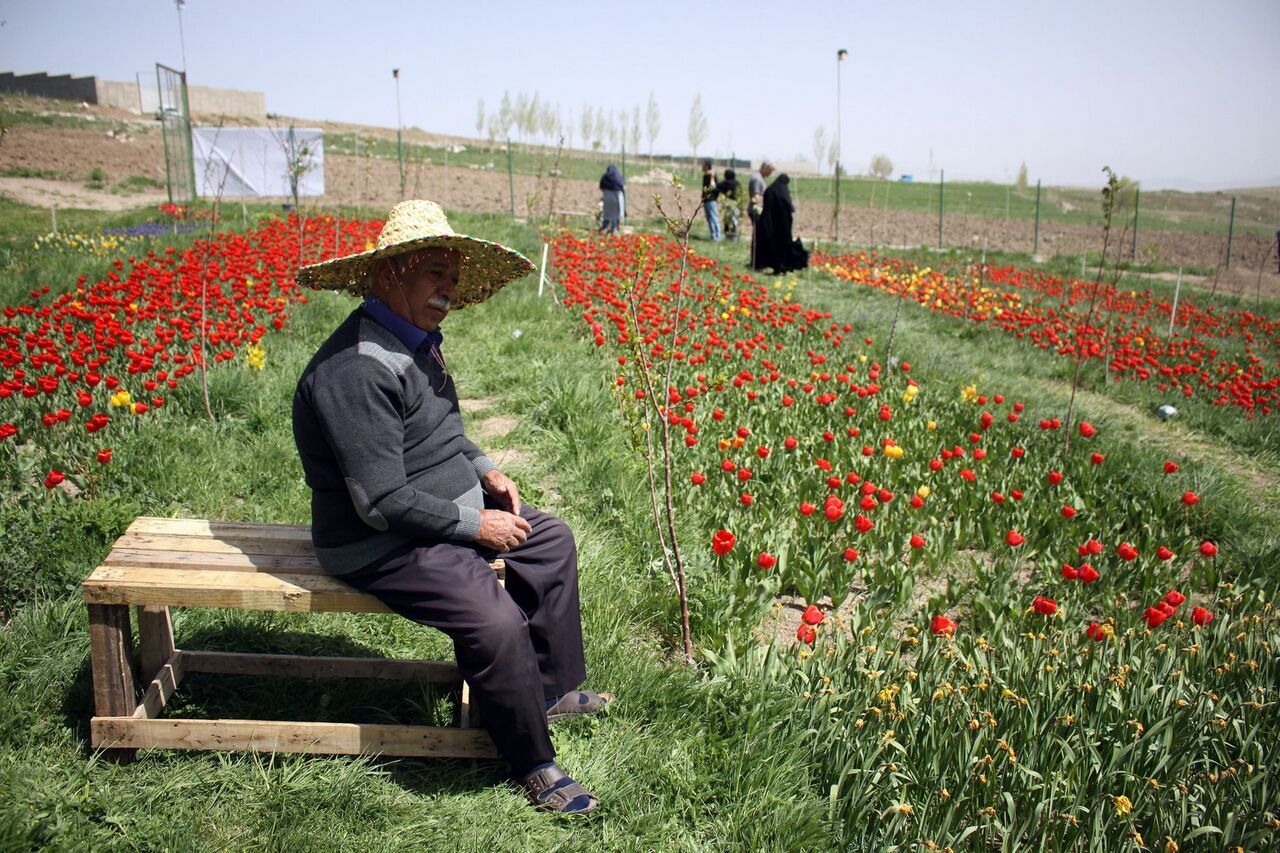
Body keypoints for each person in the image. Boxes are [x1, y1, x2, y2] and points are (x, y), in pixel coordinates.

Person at [292, 200, 611, 815]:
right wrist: (477, 526)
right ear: (389, 273)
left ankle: (544, 690)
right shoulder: (358, 368)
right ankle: (533, 761)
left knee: (551, 541)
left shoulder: (414, 341)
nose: (448, 288)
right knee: (492, 618)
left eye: (453, 276)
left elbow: (440, 433)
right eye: (435, 271)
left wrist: (483, 466)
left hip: (436, 514)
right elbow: (380, 501)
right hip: (378, 543)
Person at [752, 172, 810, 274]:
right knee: (782, 246)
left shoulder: (770, 189)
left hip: (769, 223)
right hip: (782, 225)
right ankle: (781, 266)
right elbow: (789, 207)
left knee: (770, 244)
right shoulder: (783, 191)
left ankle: (767, 264)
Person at [748, 160, 774, 265]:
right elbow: (756, 196)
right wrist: (762, 211)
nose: (770, 173)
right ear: (764, 168)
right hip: (757, 211)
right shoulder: (757, 179)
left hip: (760, 210)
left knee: (759, 236)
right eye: (769, 171)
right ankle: (755, 262)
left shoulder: (760, 178)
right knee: (758, 236)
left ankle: (759, 260)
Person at [716, 168, 741, 242]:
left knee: (727, 222)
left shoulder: (725, 183)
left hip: (728, 204)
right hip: (736, 204)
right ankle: (734, 238)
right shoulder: (737, 183)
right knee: (734, 221)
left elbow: (717, 187)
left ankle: (728, 238)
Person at [599, 164, 625, 234]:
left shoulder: (605, 177)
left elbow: (601, 187)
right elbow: (623, 187)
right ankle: (614, 229)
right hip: (617, 197)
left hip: (607, 197)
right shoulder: (618, 176)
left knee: (607, 213)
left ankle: (604, 228)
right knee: (616, 214)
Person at [700, 159, 722, 242]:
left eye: (703, 165)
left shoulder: (711, 176)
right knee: (710, 218)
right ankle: (713, 235)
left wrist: (712, 176)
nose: (702, 167)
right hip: (707, 200)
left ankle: (717, 236)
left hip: (711, 200)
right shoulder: (706, 175)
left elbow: (714, 187)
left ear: (707, 166)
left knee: (713, 217)